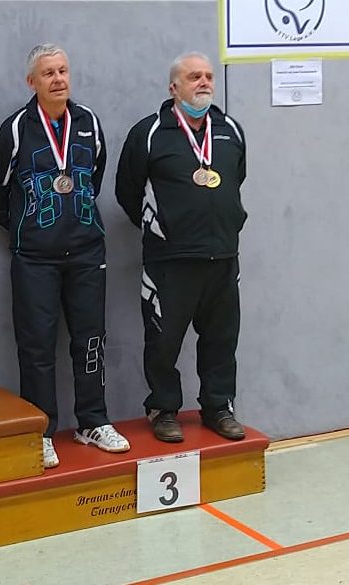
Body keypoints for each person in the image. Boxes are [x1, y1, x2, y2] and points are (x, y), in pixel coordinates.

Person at [0, 43, 129, 469]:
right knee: (37, 345)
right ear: (32, 82)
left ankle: (93, 421)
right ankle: (41, 431)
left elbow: (94, 175)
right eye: (48, 73)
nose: (58, 79)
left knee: (91, 338)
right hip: (35, 258)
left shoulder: (89, 122)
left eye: (63, 70)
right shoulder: (16, 128)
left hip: (86, 252)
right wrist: (20, 223)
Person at [115, 52, 247, 444]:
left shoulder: (230, 130)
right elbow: (127, 191)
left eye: (208, 76)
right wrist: (161, 229)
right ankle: (163, 408)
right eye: (194, 77)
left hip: (223, 256)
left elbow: (236, 180)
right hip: (169, 261)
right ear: (174, 87)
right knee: (163, 341)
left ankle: (218, 407)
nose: (204, 82)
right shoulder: (149, 133)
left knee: (222, 339)